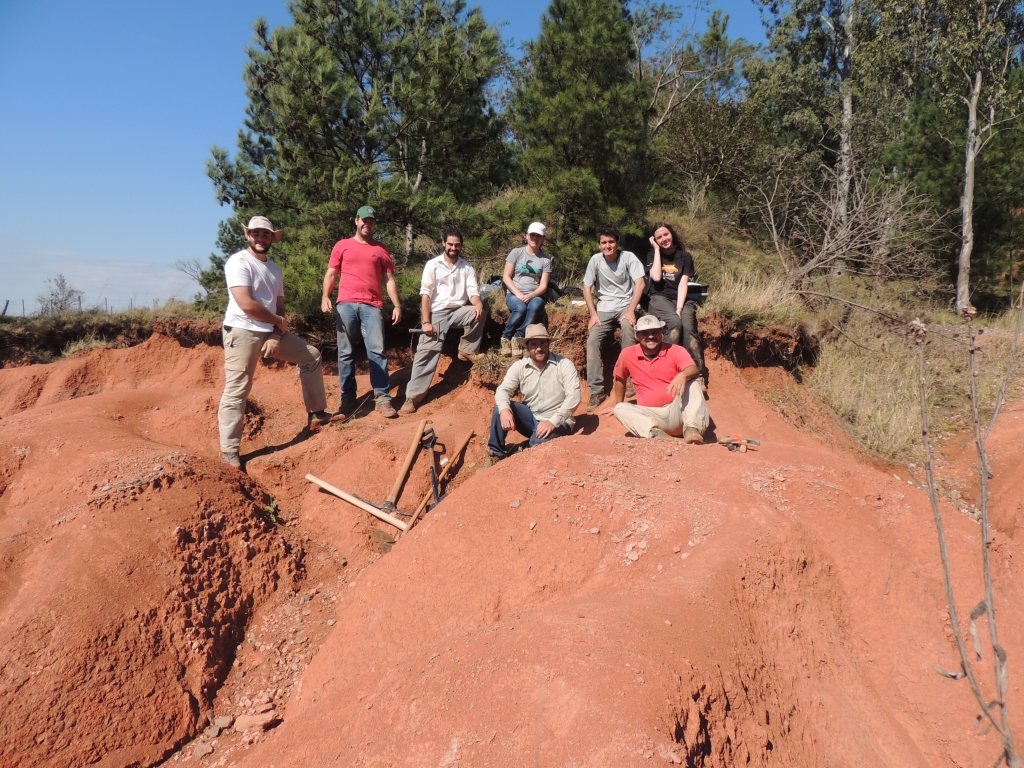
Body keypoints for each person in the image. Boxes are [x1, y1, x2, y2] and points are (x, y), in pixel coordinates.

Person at [218, 216, 338, 468]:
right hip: (242, 331)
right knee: (237, 389)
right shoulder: (238, 261)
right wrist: (277, 323)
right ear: (248, 235)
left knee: (311, 356)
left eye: (266, 234)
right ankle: (230, 450)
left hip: (270, 330)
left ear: (272, 238)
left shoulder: (274, 269)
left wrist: (275, 334)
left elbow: (280, 306)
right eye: (256, 234)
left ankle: (316, 414)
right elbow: (247, 304)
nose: (261, 238)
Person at [321, 205, 402, 419]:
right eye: (364, 220)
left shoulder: (381, 249)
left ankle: (383, 398)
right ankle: (348, 399)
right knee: (345, 353)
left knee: (377, 351)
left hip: (372, 305)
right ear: (356, 221)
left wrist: (397, 305)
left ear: (374, 224)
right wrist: (325, 296)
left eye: (371, 221)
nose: (367, 224)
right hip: (346, 303)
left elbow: (389, 280)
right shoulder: (342, 245)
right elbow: (331, 274)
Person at [401, 227, 488, 414]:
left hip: (458, 310)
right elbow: (425, 295)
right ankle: (413, 397)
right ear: (443, 244)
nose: (453, 247)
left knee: (480, 312)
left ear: (461, 246)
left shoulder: (467, 267)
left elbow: (473, 291)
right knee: (427, 352)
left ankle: (467, 350)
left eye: (457, 245)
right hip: (437, 313)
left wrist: (478, 303)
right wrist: (426, 322)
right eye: (450, 244)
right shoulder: (432, 265)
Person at [597, 315, 709, 444]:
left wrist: (683, 375)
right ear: (637, 336)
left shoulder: (676, 350)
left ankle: (692, 430)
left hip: (678, 413)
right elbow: (619, 378)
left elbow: (693, 369)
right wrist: (617, 404)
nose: (650, 336)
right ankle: (657, 435)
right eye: (645, 333)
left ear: (661, 333)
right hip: (651, 417)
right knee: (620, 408)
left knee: (692, 383)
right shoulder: (627, 354)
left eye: (655, 331)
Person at [489, 323, 581, 459]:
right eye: (534, 344)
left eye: (543, 343)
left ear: (548, 344)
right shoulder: (519, 366)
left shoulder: (564, 364)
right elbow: (503, 389)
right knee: (499, 408)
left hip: (558, 421)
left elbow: (574, 396)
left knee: (541, 441)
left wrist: (552, 422)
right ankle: (496, 454)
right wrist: (504, 410)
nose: (539, 348)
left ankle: (524, 450)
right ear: (527, 347)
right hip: (531, 418)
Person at [582, 225, 646, 412]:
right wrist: (593, 314)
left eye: (611, 241)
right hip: (604, 307)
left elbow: (640, 283)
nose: (607, 245)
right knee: (593, 340)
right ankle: (597, 390)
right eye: (604, 242)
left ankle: (631, 378)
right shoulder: (595, 260)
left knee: (628, 330)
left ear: (617, 243)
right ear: (599, 244)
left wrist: (631, 310)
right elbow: (587, 288)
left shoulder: (628, 258)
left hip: (627, 304)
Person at [645, 222, 708, 393]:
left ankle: (697, 374)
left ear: (671, 234)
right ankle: (663, 371)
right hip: (659, 298)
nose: (663, 239)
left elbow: (682, 285)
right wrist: (657, 250)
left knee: (688, 327)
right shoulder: (652, 255)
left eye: (666, 234)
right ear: (655, 240)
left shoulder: (684, 256)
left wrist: (679, 309)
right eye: (659, 237)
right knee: (674, 324)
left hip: (680, 299)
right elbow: (656, 277)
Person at [501, 222, 552, 357]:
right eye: (532, 235)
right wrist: (518, 294)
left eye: (539, 236)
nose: (535, 238)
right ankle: (505, 338)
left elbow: (543, 286)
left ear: (543, 239)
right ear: (527, 236)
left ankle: (517, 338)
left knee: (535, 306)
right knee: (521, 308)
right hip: (514, 293)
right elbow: (506, 277)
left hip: (535, 294)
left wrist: (531, 295)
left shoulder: (545, 260)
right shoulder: (516, 253)